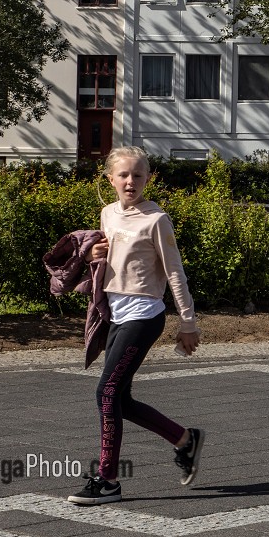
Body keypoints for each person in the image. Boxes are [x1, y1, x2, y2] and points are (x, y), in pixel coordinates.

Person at [69, 146, 202, 505]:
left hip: (144, 316)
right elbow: (110, 259)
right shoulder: (108, 213)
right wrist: (96, 254)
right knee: (120, 399)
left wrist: (188, 322)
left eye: (138, 175)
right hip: (116, 313)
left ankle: (108, 480)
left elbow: (175, 272)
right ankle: (185, 439)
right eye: (124, 175)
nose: (131, 181)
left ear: (148, 179)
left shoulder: (156, 219)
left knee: (106, 394)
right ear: (110, 178)